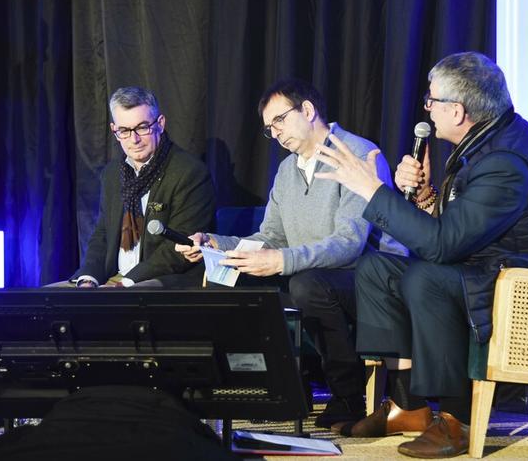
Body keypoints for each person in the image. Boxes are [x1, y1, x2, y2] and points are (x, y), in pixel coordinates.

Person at [313, 52, 528, 458]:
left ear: (457, 111)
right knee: (377, 268)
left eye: (431, 100)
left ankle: (457, 419)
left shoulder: (505, 161)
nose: (427, 108)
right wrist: (423, 197)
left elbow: (442, 246)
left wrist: (372, 191)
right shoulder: (485, 143)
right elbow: (456, 231)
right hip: (491, 269)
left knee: (425, 275)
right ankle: (409, 406)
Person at [176, 78, 407, 428]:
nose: (276, 133)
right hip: (311, 271)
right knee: (232, 280)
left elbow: (349, 242)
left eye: (280, 120)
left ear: (309, 110)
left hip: (369, 277)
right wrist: (215, 243)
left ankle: (348, 395)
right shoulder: (287, 170)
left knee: (308, 284)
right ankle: (279, 390)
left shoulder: (356, 154)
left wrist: (281, 261)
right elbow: (271, 236)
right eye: (270, 128)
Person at [70, 86, 215, 288]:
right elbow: (102, 235)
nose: (134, 139)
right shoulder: (112, 174)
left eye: (142, 127)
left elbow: (178, 250)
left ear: (160, 124)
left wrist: (124, 285)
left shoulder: (190, 173)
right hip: (114, 280)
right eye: (124, 131)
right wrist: (88, 279)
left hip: (161, 280)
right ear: (114, 130)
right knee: (49, 302)